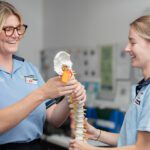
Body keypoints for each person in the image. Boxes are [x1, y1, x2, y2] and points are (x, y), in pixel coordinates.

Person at [0, 1, 86, 150]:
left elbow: (54, 118)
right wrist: (43, 92)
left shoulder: (29, 69)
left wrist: (69, 97)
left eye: (19, 28)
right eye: (8, 29)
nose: (16, 35)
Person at [69, 15, 150, 150]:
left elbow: (142, 148)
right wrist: (96, 134)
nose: (126, 48)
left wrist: (90, 149)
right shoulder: (143, 87)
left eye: (133, 42)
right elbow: (129, 140)